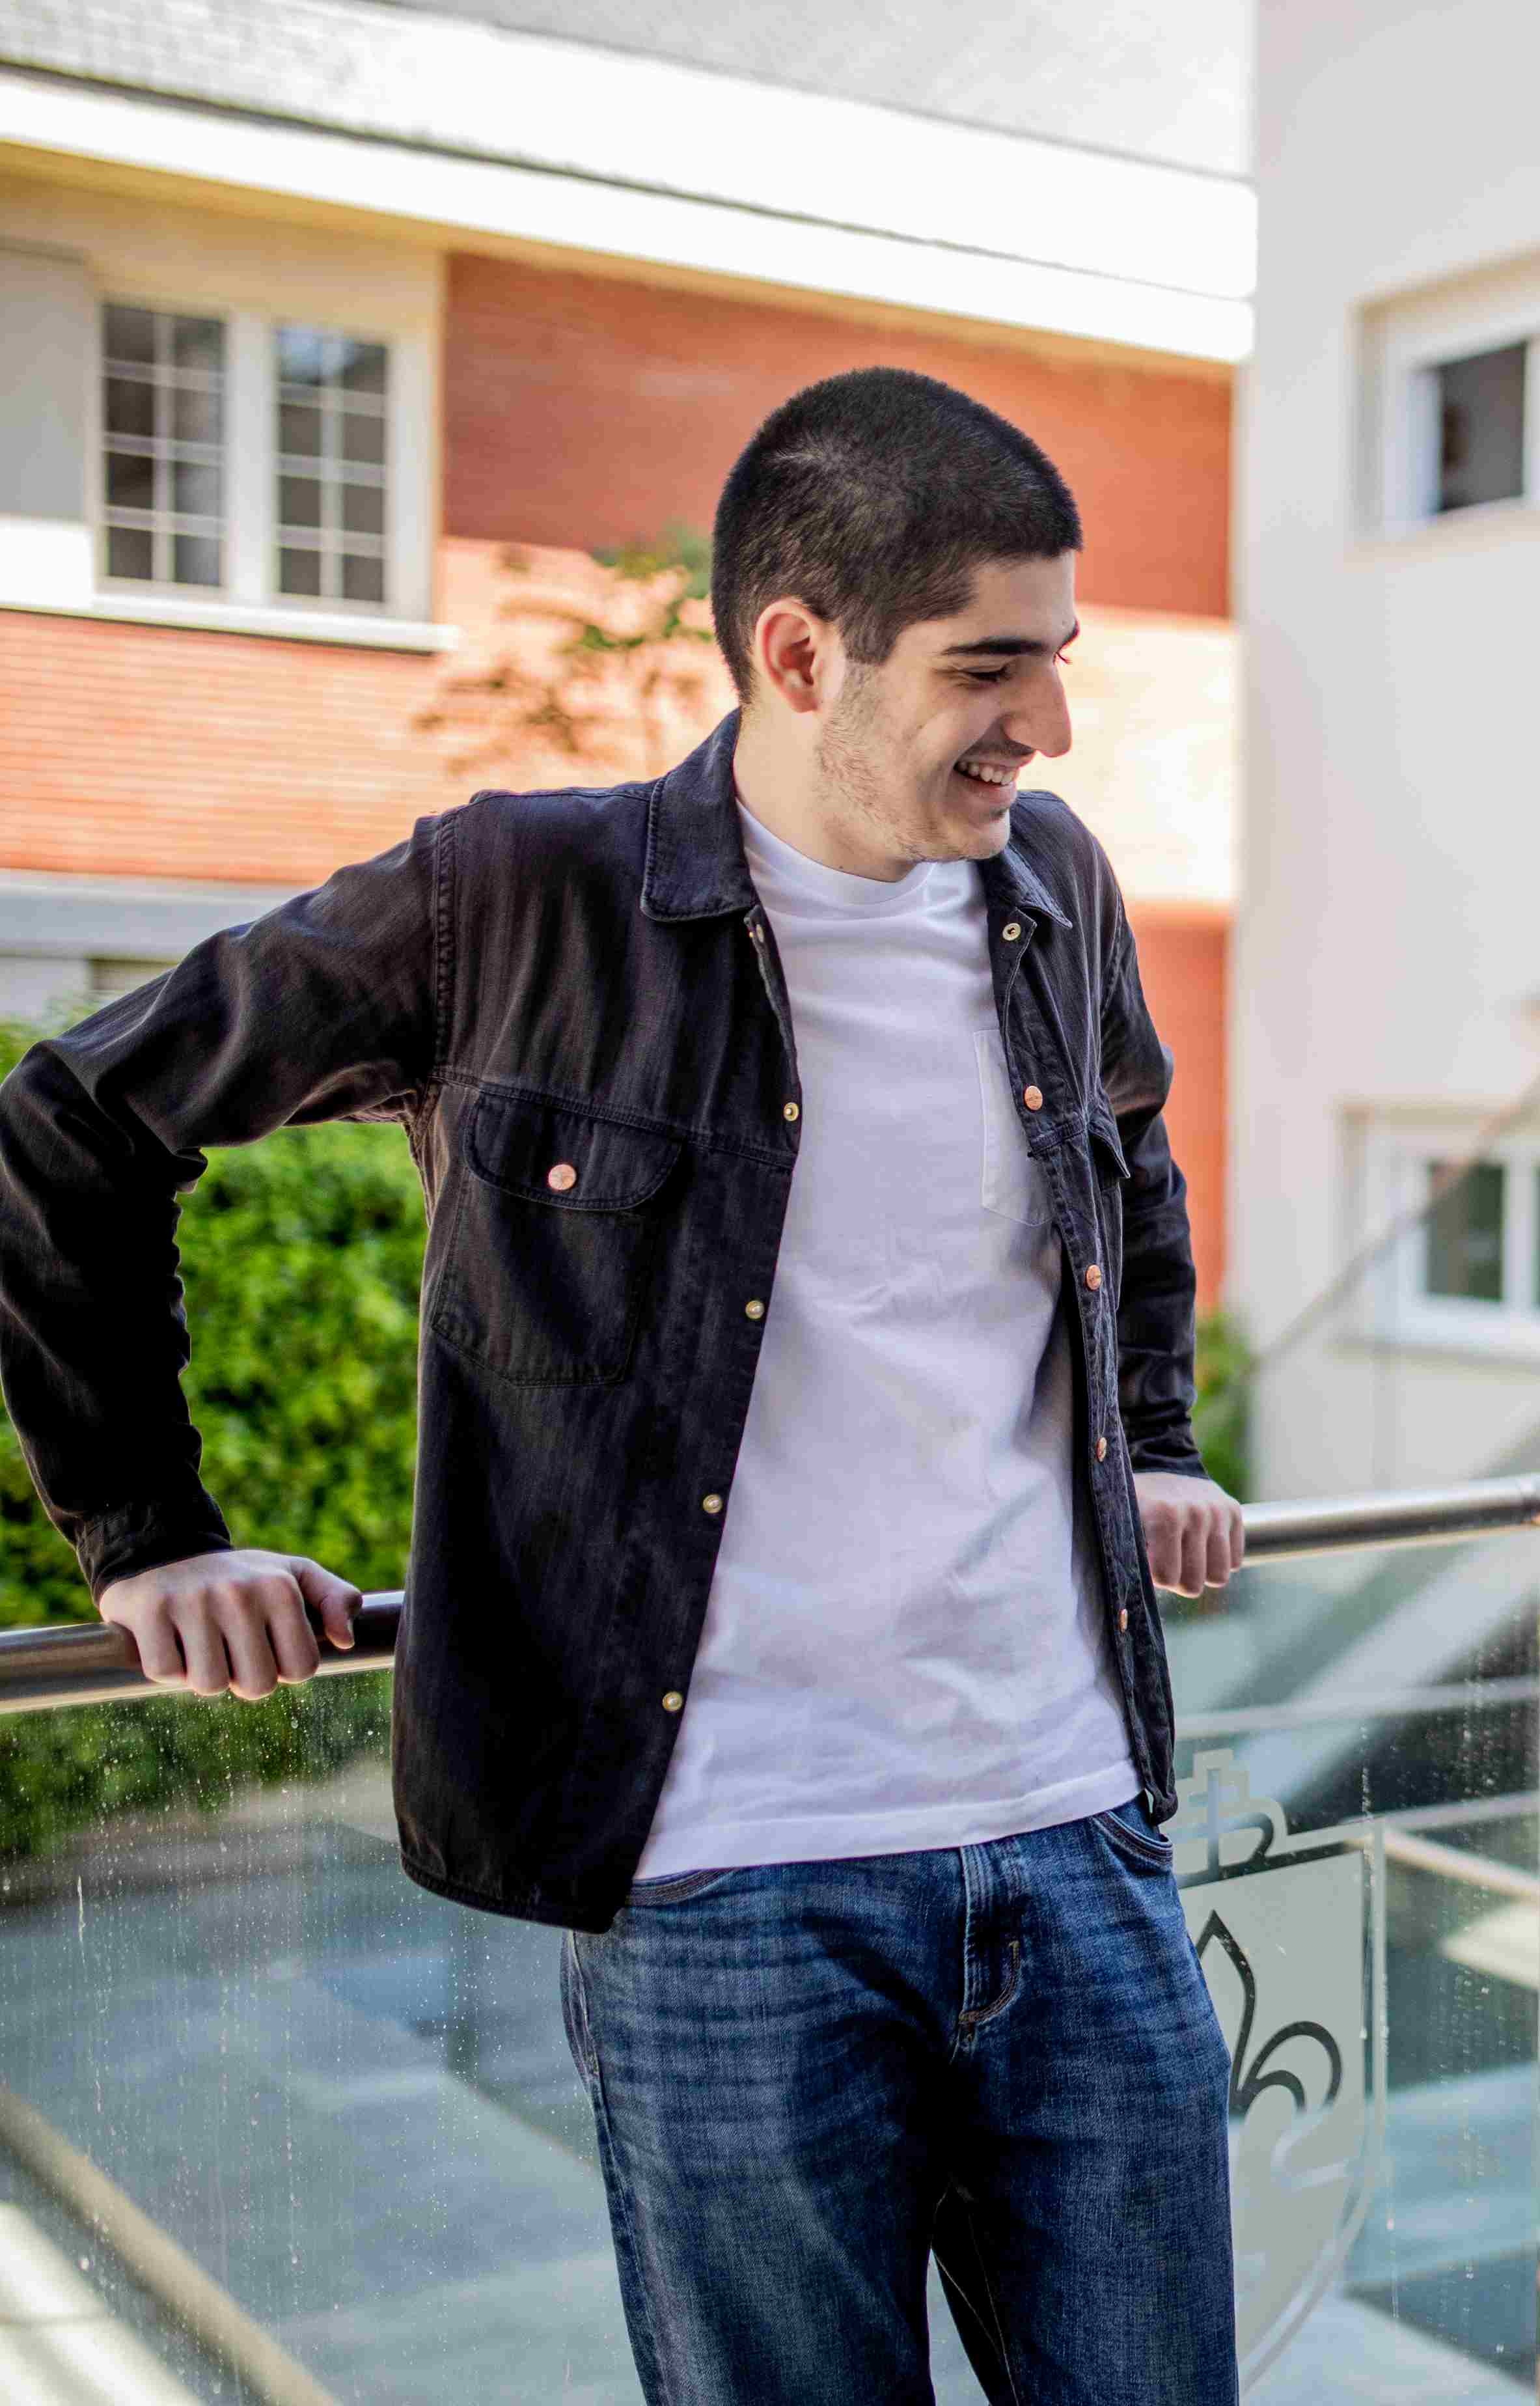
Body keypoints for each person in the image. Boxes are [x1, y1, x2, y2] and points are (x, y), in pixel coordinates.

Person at [0, 368, 1246, 2405]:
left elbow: (1131, 1161)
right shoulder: (514, 901)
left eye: (1060, 656)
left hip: (1076, 1834)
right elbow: (69, 1125)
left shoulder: (1057, 892)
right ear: (801, 654)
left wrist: (1163, 1441)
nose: (1051, 723)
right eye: (989, 667)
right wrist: (149, 1535)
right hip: (724, 1888)